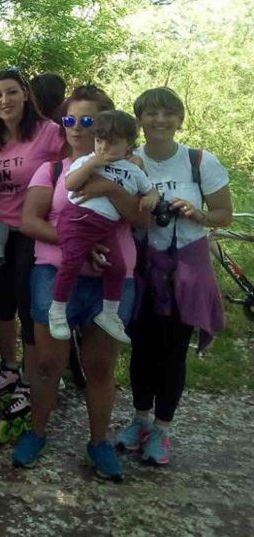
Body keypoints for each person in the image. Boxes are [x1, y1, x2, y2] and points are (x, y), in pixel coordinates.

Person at [14, 85, 149, 480]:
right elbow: (30, 221)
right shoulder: (54, 170)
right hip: (55, 272)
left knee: (101, 367)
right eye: (69, 119)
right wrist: (80, 244)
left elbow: (141, 219)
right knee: (47, 364)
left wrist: (110, 188)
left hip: (112, 278)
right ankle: (36, 433)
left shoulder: (130, 168)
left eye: (87, 120)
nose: (76, 127)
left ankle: (99, 443)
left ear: (105, 124)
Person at [117, 87, 232, 465]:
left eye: (168, 113)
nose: (160, 120)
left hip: (187, 266)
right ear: (139, 120)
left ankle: (162, 429)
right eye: (151, 114)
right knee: (141, 347)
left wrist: (198, 213)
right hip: (143, 265)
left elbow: (224, 215)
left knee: (174, 351)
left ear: (180, 119)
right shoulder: (131, 162)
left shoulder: (199, 162)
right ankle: (139, 420)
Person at [0, 67, 64, 437]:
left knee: (29, 306)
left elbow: (71, 169)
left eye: (10, 92)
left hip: (31, 232)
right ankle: (9, 368)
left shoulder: (49, 133)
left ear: (25, 94)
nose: (4, 100)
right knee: (1, 304)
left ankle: (29, 377)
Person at [49, 110, 158, 344]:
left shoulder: (132, 170)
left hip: (107, 227)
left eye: (113, 143)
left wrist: (152, 197)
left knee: (117, 268)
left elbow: (150, 190)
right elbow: (70, 184)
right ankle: (57, 311)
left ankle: (108, 314)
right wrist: (91, 164)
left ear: (129, 144)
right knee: (71, 263)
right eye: (99, 141)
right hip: (78, 220)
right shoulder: (86, 161)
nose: (104, 148)